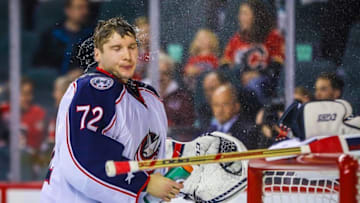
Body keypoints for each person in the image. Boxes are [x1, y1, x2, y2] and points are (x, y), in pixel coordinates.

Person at [41, 17, 182, 202]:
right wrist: (144, 184)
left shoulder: (149, 96)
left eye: (132, 47)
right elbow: (83, 159)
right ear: (98, 54)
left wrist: (182, 152)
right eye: (117, 48)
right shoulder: (91, 89)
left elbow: (147, 152)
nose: (127, 55)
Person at [222, 0, 284, 104]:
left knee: (254, 84)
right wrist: (240, 76)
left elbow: (278, 63)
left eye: (245, 13)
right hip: (239, 81)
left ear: (256, 16)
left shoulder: (273, 37)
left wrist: (258, 74)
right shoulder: (235, 40)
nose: (241, 17)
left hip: (265, 81)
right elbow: (225, 64)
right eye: (240, 14)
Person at [32, 0, 93, 75]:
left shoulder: (91, 36)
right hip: (54, 79)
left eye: (87, 8)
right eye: (80, 8)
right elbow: (39, 63)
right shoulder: (51, 35)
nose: (85, 12)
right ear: (68, 10)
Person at [207, 84, 260, 149]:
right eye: (216, 105)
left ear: (236, 106)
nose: (219, 110)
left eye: (225, 104)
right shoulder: (208, 131)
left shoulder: (248, 132)